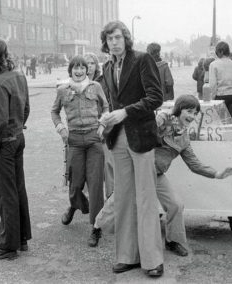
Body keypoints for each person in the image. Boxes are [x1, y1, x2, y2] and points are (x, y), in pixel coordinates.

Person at [94, 95, 232, 256]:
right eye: (189, 111)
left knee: (176, 204)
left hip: (157, 175)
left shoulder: (184, 139)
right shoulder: (164, 118)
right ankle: (97, 228)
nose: (192, 116)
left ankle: (173, 241)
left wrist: (217, 174)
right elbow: (145, 129)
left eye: (195, 113)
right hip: (139, 171)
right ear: (179, 109)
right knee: (118, 200)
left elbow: (194, 164)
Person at [100, 21, 164, 277]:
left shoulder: (142, 60)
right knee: (124, 198)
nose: (114, 42)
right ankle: (127, 256)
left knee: (146, 198)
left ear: (126, 38)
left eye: (118, 37)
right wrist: (108, 116)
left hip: (141, 136)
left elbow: (155, 98)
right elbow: (115, 102)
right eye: (109, 39)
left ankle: (152, 259)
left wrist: (124, 112)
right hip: (118, 138)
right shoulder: (106, 67)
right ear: (105, 43)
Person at [0, 38, 31, 261]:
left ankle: (7, 245)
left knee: (5, 193)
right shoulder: (18, 75)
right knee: (18, 188)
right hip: (18, 137)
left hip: (5, 142)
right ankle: (21, 238)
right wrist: (19, 125)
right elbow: (26, 107)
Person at [51, 56, 109, 247]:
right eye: (75, 68)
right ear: (71, 70)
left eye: (82, 68)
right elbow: (54, 111)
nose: (79, 71)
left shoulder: (95, 87)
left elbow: (107, 107)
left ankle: (96, 227)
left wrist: (102, 125)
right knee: (75, 185)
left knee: (95, 186)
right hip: (74, 140)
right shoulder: (62, 90)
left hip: (94, 139)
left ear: (87, 70)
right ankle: (75, 205)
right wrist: (61, 128)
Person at [84, 52, 114, 198]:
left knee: (107, 163)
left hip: (102, 127)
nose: (89, 67)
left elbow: (107, 104)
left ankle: (110, 196)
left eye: (92, 63)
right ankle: (87, 197)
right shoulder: (76, 82)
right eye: (86, 63)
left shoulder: (102, 82)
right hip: (83, 129)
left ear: (96, 66)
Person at [209, 41, 232, 123]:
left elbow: (212, 85)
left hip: (219, 96)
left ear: (220, 51)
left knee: (221, 122)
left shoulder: (213, 65)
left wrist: (212, 98)